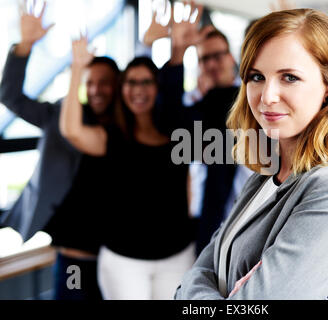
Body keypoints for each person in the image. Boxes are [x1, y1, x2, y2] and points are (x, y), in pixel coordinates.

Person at [175, 8, 328, 300]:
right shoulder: (265, 177)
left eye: (289, 77)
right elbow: (199, 271)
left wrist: (194, 294)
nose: (267, 96)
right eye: (257, 76)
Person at [59, 37, 196, 300]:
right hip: (124, 261)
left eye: (146, 82)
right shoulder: (111, 136)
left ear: (157, 87)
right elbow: (71, 130)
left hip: (177, 256)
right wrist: (77, 68)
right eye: (131, 82)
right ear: (122, 89)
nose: (138, 89)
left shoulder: (177, 134)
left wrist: (179, 49)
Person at [0, 1, 119, 300]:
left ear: (118, 86)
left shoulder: (126, 129)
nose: (95, 90)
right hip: (75, 258)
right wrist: (25, 44)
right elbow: (10, 96)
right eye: (90, 83)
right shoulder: (60, 115)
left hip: (118, 260)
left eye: (104, 83)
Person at [149, 3, 252, 256]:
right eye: (204, 58)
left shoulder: (252, 99)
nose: (212, 64)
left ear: (232, 58)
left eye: (217, 55)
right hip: (209, 226)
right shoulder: (205, 105)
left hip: (249, 222)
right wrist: (178, 54)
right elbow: (168, 124)